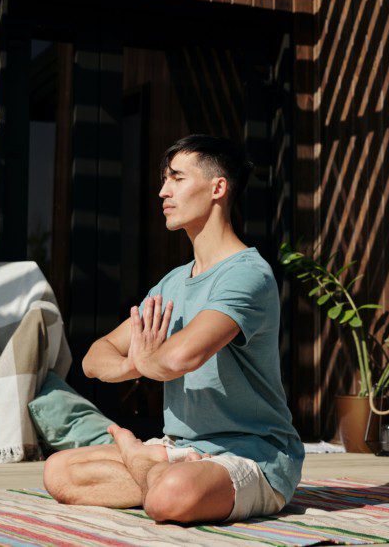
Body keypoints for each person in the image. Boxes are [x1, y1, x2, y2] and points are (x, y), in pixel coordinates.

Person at [43, 134, 304, 524]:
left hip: (253, 454)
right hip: (180, 449)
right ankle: (155, 466)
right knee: (58, 472)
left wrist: (151, 361)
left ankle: (140, 460)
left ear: (218, 188)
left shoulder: (247, 275)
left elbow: (183, 357)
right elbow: (95, 358)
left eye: (177, 179)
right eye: (165, 180)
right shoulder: (173, 282)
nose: (164, 191)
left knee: (170, 498)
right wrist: (143, 362)